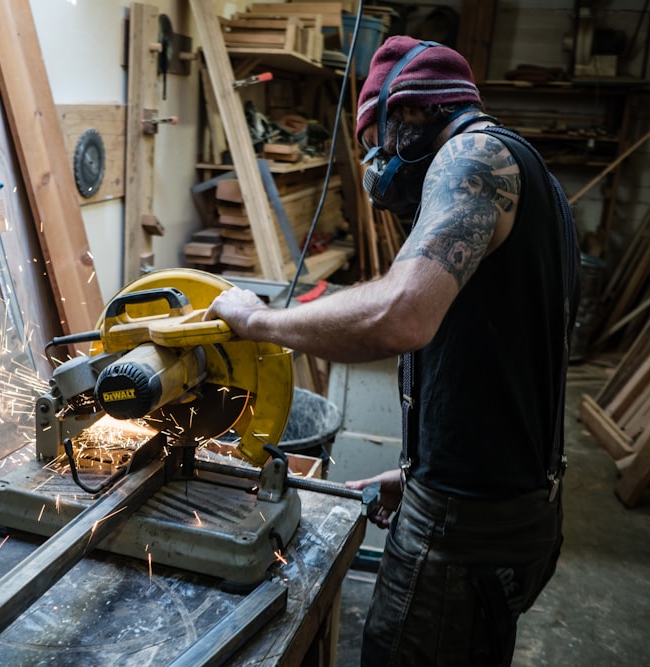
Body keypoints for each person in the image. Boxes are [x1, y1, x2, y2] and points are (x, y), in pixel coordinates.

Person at [205, 36, 580, 665]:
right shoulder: (530, 175)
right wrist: (419, 472)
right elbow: (496, 362)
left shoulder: (471, 158)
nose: (377, 167)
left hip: (463, 536)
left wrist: (258, 321)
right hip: (512, 511)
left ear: (406, 113)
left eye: (375, 144)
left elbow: (399, 315)